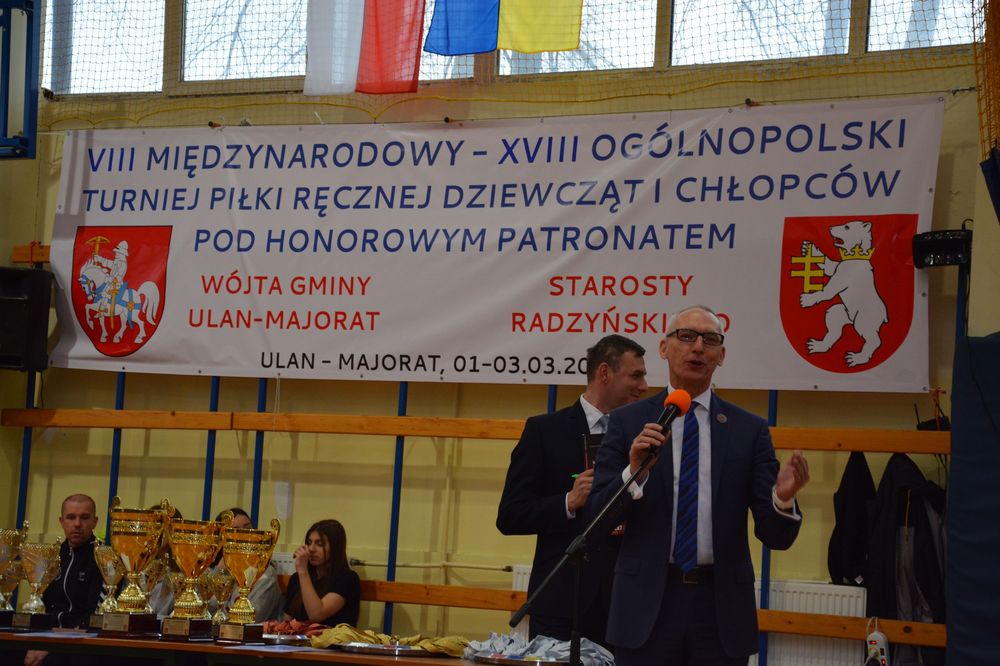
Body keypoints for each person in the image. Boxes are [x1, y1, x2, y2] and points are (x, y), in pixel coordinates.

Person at [587, 305, 810, 665]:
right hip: (647, 605)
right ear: (664, 348)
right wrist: (634, 473)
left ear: (721, 355)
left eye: (710, 340)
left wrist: (782, 499)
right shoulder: (628, 422)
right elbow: (596, 520)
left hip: (720, 609)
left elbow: (776, 537)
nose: (697, 348)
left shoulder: (748, 430)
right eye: (686, 336)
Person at [496, 334, 649, 646]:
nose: (644, 386)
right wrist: (567, 502)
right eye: (636, 375)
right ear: (604, 373)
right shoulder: (544, 431)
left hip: (624, 600)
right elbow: (510, 515)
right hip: (560, 600)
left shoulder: (645, 435)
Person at [24, 494, 104, 666]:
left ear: (95, 522)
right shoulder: (52, 556)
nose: (77, 524)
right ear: (61, 521)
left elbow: (95, 617)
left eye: (84, 517)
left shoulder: (103, 559)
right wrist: (39, 641)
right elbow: (42, 606)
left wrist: (53, 645)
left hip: (82, 644)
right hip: (49, 638)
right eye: (71, 517)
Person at [208, 507, 282, 622]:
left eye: (247, 528)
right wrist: (220, 570)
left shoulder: (264, 574)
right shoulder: (213, 569)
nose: (244, 535)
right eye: (235, 530)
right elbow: (204, 610)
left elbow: (254, 618)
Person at [284, 519, 360, 627]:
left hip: (332, 637)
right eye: (309, 543)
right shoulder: (297, 578)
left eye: (319, 544)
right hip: (298, 637)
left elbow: (316, 615)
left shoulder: (347, 579)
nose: (311, 549)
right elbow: (287, 622)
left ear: (335, 548)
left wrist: (302, 571)